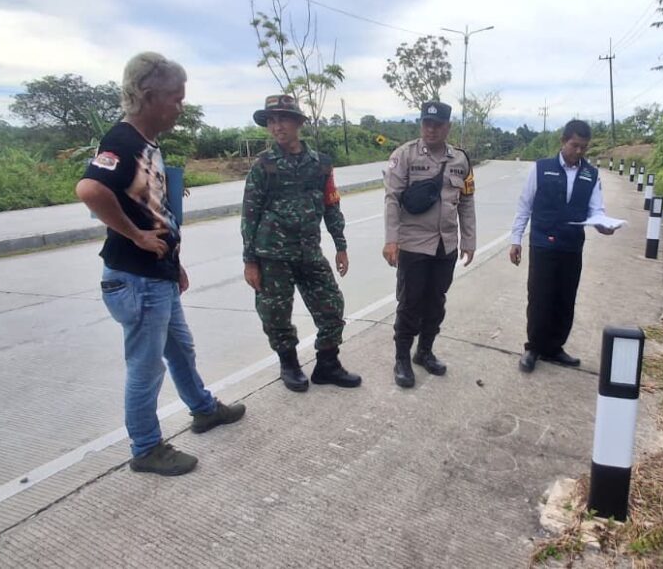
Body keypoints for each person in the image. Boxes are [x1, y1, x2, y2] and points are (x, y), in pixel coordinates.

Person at [76, 52, 245, 477]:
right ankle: (147, 447)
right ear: (149, 96)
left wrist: (174, 261)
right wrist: (135, 236)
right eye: (176, 98)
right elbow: (90, 189)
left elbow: (154, 210)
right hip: (136, 279)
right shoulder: (123, 141)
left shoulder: (147, 143)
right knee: (146, 367)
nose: (180, 107)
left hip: (157, 276)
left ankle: (203, 409)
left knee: (180, 349)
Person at [241, 94, 362, 393]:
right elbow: (250, 215)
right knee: (275, 315)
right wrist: (250, 261)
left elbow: (331, 205)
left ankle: (327, 365)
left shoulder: (320, 165)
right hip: (272, 255)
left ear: (298, 123)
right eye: (271, 121)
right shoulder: (264, 166)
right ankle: (290, 365)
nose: (277, 126)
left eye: (283, 119)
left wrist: (340, 245)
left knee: (332, 306)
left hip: (309, 251)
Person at [382, 101, 476, 388]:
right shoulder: (404, 155)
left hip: (445, 245)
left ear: (448, 127)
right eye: (427, 123)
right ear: (421, 124)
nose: (431, 129)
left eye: (437, 125)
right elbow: (392, 199)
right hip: (413, 244)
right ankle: (401, 359)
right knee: (410, 303)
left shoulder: (460, 160)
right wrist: (391, 240)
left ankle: (424, 352)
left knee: (436, 302)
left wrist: (469, 240)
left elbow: (467, 201)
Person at [509, 120, 615, 373]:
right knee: (539, 297)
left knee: (565, 299)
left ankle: (555, 347)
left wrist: (603, 225)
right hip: (543, 243)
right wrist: (516, 239)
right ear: (563, 141)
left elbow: (596, 210)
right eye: (574, 145)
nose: (578, 151)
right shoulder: (541, 168)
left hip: (571, 245)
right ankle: (534, 348)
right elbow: (525, 205)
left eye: (583, 147)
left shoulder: (591, 174)